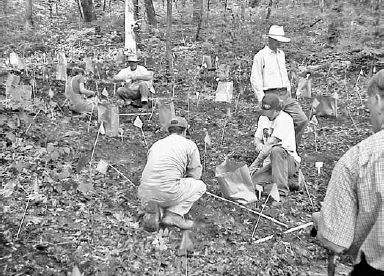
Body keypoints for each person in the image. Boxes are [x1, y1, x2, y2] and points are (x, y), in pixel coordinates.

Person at [312, 69, 384, 275]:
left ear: (378, 100)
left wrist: (322, 221)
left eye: (369, 103)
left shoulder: (358, 159)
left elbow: (336, 242)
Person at [138, 116, 206, 230]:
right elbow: (195, 175)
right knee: (200, 186)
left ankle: (156, 210)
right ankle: (173, 215)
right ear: (184, 131)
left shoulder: (157, 144)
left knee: (160, 188)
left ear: (169, 131)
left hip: (144, 191)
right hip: (168, 191)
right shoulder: (189, 145)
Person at [250, 25, 308, 146]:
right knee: (270, 124)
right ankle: (269, 150)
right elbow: (255, 79)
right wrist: (261, 98)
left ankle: (290, 148)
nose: (279, 44)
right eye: (276, 41)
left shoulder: (281, 54)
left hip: (285, 94)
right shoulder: (261, 56)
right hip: (271, 94)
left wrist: (288, 90)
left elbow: (283, 74)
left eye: (280, 41)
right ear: (270, 39)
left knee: (301, 120)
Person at [249, 93, 301, 195]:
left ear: (278, 109)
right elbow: (257, 138)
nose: (267, 114)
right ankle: (291, 182)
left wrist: (254, 164)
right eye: (265, 111)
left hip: (287, 161)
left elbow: (271, 143)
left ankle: (281, 192)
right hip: (270, 165)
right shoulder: (263, 118)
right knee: (252, 183)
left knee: (276, 150)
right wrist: (258, 144)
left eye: (270, 112)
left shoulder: (285, 119)